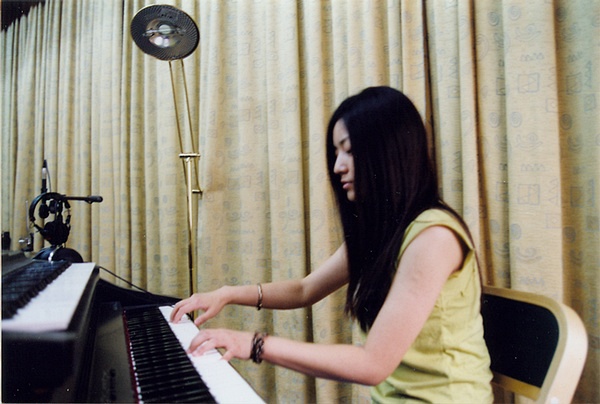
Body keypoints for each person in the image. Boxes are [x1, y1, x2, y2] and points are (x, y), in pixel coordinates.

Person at [170, 86, 494, 402]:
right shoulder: (385, 232)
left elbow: (372, 364)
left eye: (349, 151)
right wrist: (227, 294)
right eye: (336, 153)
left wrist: (253, 344)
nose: (338, 166)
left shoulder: (433, 238)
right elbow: (305, 290)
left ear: (389, 151)